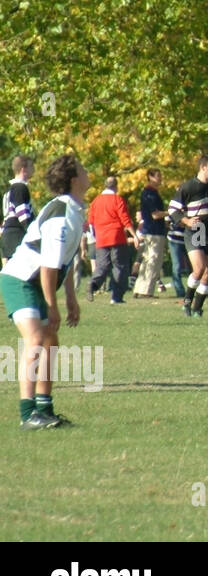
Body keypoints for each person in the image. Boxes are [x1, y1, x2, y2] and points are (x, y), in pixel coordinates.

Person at [1, 154, 89, 429]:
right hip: (20, 279)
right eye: (83, 170)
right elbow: (49, 267)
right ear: (74, 180)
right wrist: (54, 306)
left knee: (50, 341)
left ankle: (44, 409)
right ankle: (28, 415)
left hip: (37, 282)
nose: (88, 173)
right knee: (37, 338)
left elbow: (67, 259)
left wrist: (72, 298)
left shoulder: (74, 209)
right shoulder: (61, 214)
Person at [169, 156, 208, 318]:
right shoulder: (188, 187)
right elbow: (172, 210)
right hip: (197, 231)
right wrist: (186, 220)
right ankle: (187, 301)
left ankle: (197, 308)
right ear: (202, 167)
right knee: (199, 269)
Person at [86, 175, 136, 304]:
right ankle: (116, 297)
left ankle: (92, 284)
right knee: (119, 266)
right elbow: (125, 219)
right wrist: (134, 235)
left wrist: (96, 237)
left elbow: (90, 222)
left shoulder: (95, 201)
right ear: (116, 186)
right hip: (116, 237)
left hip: (101, 239)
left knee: (102, 266)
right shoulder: (117, 199)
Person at [133, 169, 169, 298]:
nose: (161, 178)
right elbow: (155, 214)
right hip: (154, 231)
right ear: (150, 177)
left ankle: (139, 289)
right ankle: (146, 291)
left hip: (151, 230)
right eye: (158, 176)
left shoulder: (151, 193)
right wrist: (171, 212)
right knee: (153, 261)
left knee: (146, 261)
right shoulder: (150, 194)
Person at [2, 154, 36, 264]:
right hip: (17, 236)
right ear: (23, 169)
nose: (34, 169)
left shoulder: (9, 189)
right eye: (31, 166)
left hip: (7, 236)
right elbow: (23, 215)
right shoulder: (20, 188)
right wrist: (34, 234)